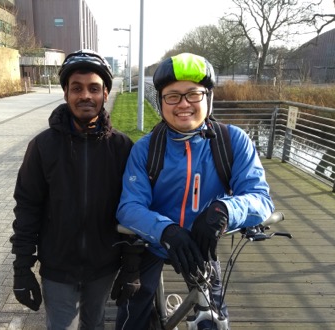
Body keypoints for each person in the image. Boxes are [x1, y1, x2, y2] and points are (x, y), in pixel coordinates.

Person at [114, 52, 275, 329]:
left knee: (213, 315)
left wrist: (224, 209)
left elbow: (260, 198)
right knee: (132, 313)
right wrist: (165, 230)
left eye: (193, 94)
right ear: (161, 101)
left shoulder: (232, 141)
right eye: (172, 96)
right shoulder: (146, 149)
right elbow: (129, 207)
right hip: (153, 243)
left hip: (202, 246)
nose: (183, 104)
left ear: (208, 97)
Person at [10, 49, 135, 329]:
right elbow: (28, 206)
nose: (85, 96)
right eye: (76, 88)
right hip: (58, 267)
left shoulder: (122, 147)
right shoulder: (42, 147)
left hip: (104, 265)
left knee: (95, 324)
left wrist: (132, 266)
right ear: (66, 93)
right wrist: (22, 266)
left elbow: (133, 208)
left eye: (94, 88)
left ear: (105, 94)